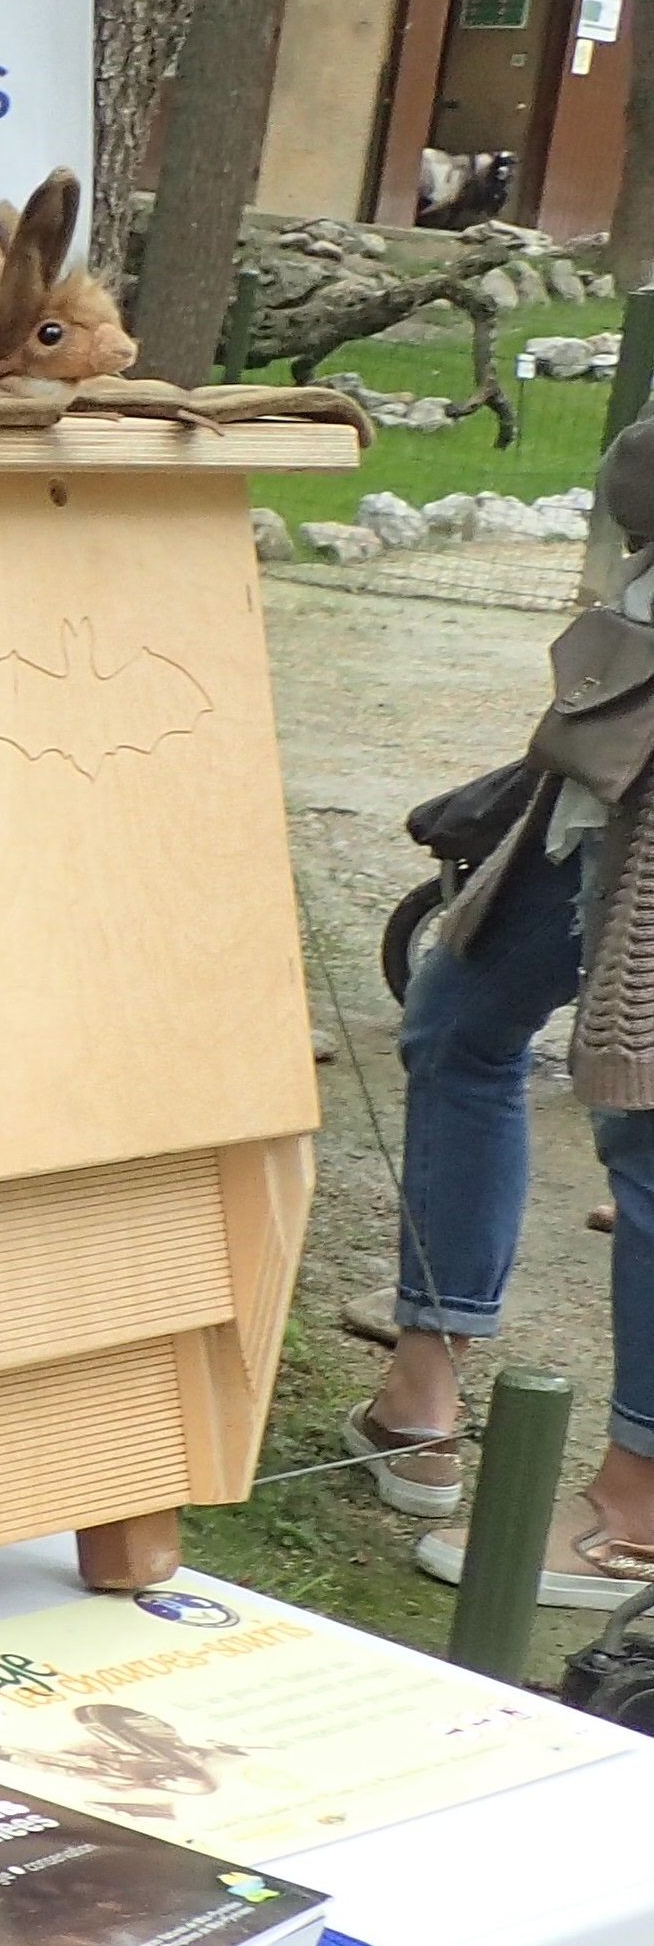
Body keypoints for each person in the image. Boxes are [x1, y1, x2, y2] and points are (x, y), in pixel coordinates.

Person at [349, 421, 654, 1608]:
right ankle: (419, 1391)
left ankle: (633, 1510)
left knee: (644, 1127)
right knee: (460, 1015)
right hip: (616, 737)